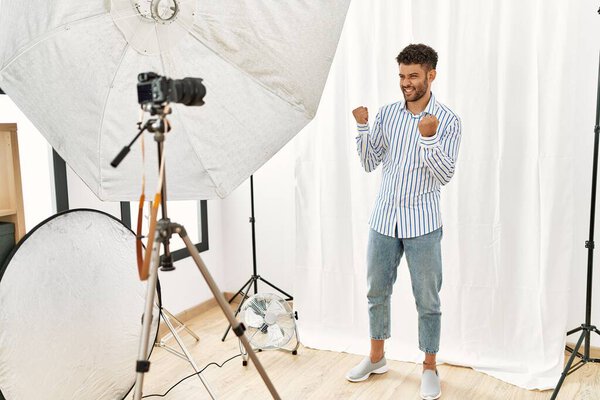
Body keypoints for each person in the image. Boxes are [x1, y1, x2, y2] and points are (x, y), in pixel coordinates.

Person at [346, 43, 461, 400]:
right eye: (402, 76)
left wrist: (428, 138)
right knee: (375, 291)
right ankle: (377, 357)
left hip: (423, 224)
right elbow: (370, 163)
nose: (406, 83)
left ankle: (429, 367)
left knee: (427, 299)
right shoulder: (388, 114)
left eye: (413, 76)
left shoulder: (448, 120)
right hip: (383, 219)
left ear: (431, 75)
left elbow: (445, 174)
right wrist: (364, 128)